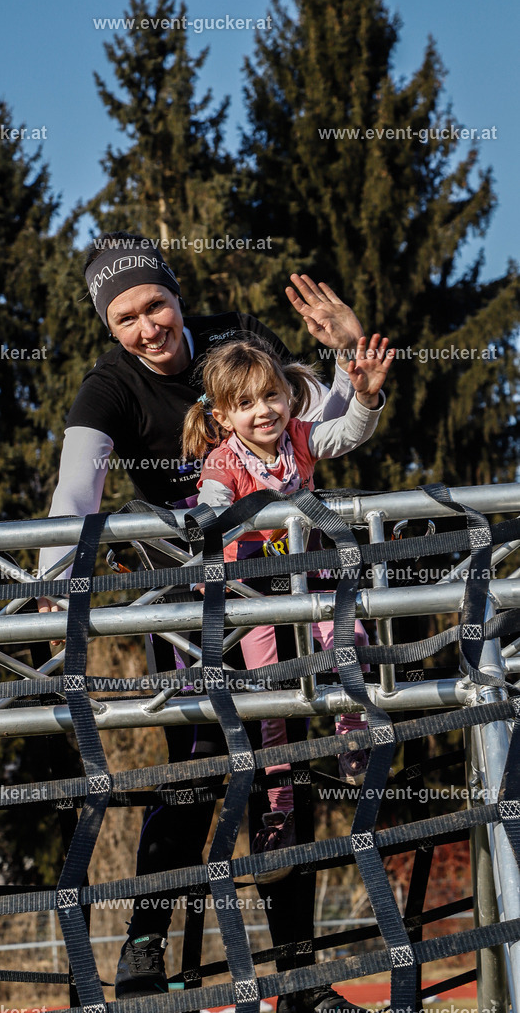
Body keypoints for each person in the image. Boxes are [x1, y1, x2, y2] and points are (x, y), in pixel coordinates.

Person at [38, 232, 379, 1013]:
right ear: (108, 325)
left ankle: (300, 979)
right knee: (193, 768)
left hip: (281, 587)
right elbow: (78, 486)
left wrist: (350, 352)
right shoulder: (109, 388)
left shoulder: (238, 341)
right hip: (193, 606)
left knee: (288, 765)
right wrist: (60, 580)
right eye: (125, 318)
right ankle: (144, 958)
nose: (146, 327)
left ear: (176, 295)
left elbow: (308, 428)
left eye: (154, 305)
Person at [182, 337, 392, 885]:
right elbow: (210, 502)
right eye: (247, 404)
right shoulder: (224, 460)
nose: (264, 411)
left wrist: (365, 400)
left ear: (286, 395)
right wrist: (208, 518)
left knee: (350, 637)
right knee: (269, 694)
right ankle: (279, 809)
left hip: (306, 567)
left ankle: (351, 734)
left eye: (271, 395)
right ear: (224, 416)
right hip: (252, 584)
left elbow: (344, 434)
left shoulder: (299, 437)